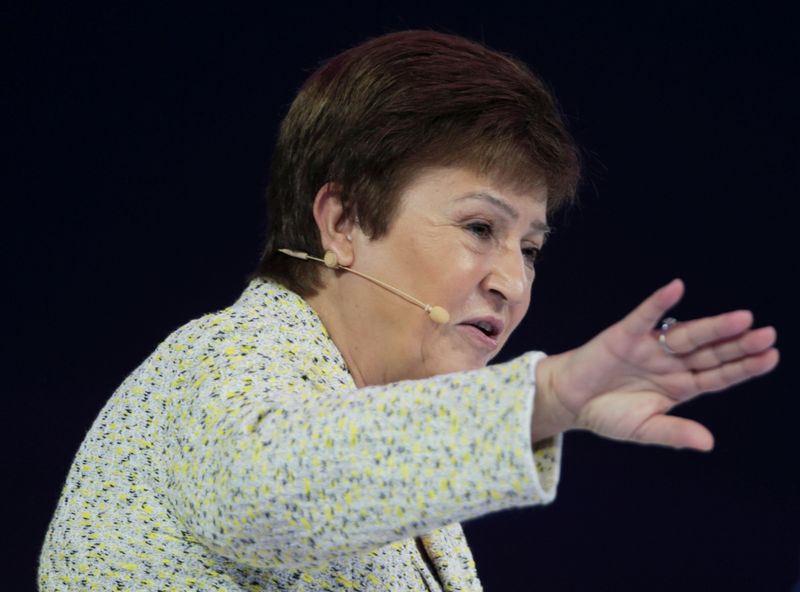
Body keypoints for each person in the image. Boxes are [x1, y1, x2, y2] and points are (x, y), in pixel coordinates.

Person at [38, 30, 779, 591]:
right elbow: (270, 489)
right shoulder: (221, 360)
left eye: (531, 247)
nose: (513, 283)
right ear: (344, 223)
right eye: (480, 229)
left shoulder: (382, 438)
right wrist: (543, 398)